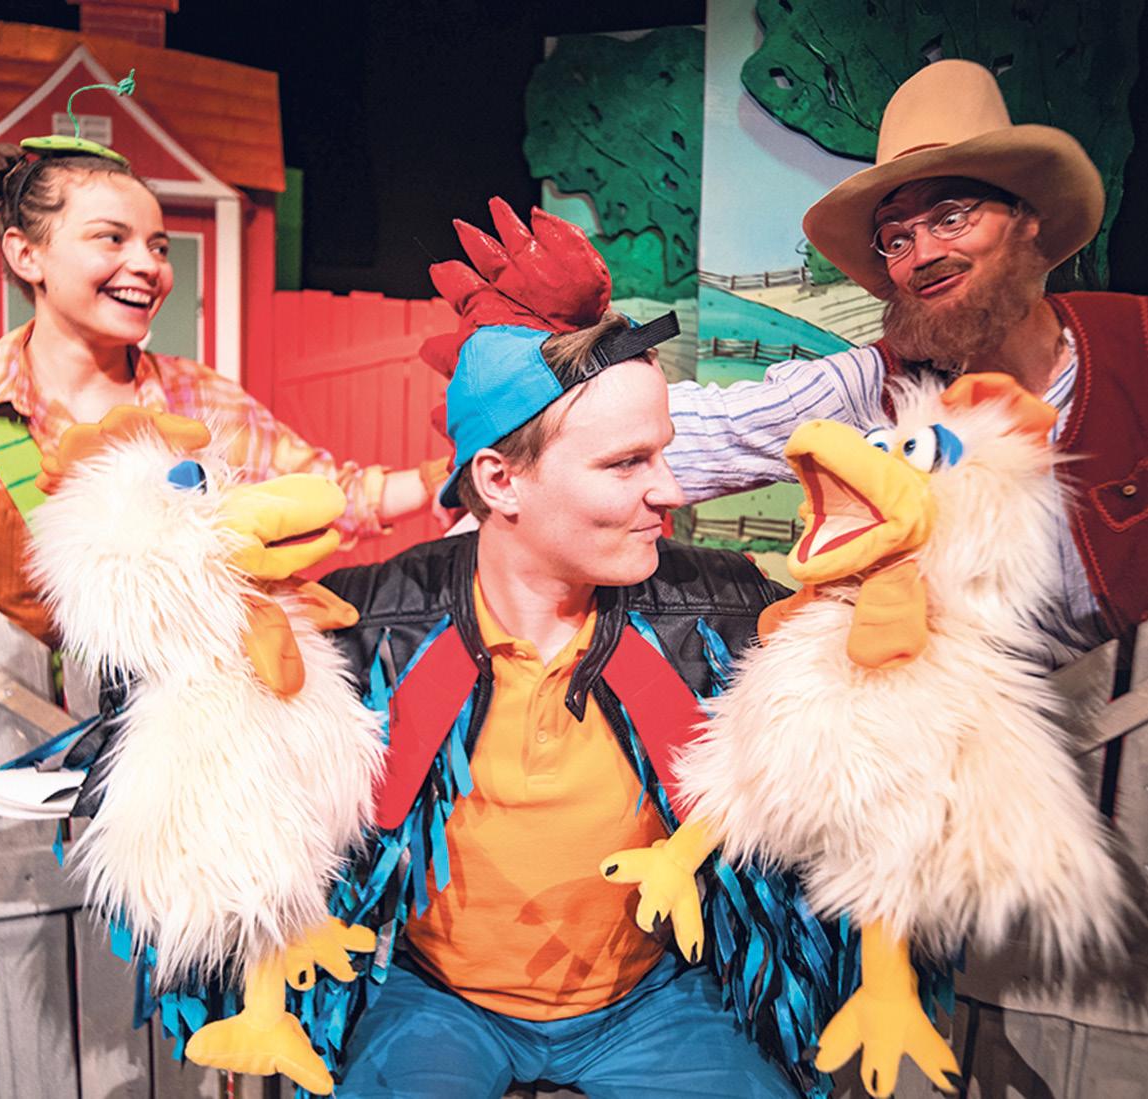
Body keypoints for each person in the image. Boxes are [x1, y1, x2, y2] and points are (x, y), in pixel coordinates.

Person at [316, 201, 846, 1098]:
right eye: (625, 463)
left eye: (661, 454)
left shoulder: (722, 608)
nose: (668, 489)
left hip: (655, 999)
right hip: (434, 999)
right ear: (500, 480)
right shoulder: (367, 623)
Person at [666, 59, 1146, 658]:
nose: (923, 254)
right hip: (963, 710)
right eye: (897, 238)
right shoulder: (880, 386)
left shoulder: (1135, 342)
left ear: (1026, 220)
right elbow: (698, 432)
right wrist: (565, 381)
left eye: (952, 217)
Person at [0, 140, 445, 646]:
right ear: (26, 254)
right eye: (112, 238)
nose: (149, 266)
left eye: (159, 247)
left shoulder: (199, 398)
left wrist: (440, 480)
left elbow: (327, 491)